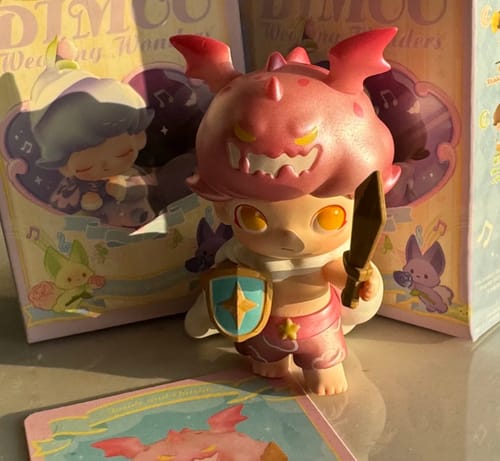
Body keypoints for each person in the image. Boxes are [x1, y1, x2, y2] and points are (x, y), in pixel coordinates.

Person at [172, 29, 400, 395]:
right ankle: (271, 360)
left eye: (328, 217)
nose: (292, 235)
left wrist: (361, 281)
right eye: (255, 218)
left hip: (319, 325)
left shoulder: (331, 255)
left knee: (323, 358)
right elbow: (227, 284)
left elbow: (339, 273)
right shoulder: (244, 255)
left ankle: (322, 366)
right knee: (266, 357)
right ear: (223, 208)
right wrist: (206, 315)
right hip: (265, 329)